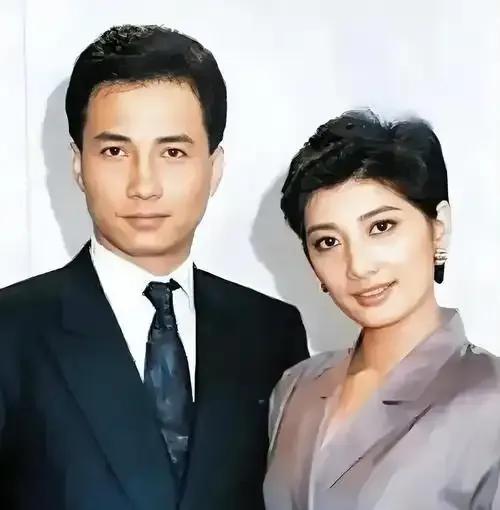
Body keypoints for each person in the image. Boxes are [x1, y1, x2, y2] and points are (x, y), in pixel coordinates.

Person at [0, 24, 309, 510]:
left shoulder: (271, 332)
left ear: (214, 167)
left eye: (173, 152)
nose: (144, 185)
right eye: (115, 151)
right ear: (78, 165)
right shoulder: (11, 330)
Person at [263, 109, 500, 509]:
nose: (358, 266)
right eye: (328, 242)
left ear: (438, 227)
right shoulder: (296, 388)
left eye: (381, 227)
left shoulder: (490, 401)